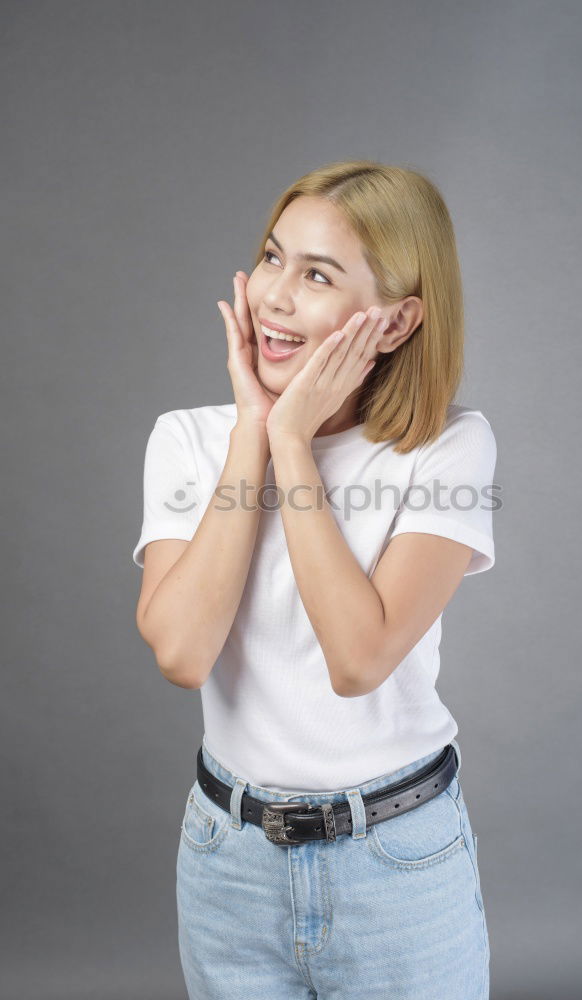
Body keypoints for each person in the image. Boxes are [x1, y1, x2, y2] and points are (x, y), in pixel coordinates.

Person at [132, 160, 497, 1000]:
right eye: (271, 257)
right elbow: (183, 652)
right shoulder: (188, 440)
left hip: (396, 865)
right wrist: (253, 436)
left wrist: (294, 445)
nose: (274, 296)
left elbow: (358, 658)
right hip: (228, 863)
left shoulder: (447, 450)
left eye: (317, 274)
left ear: (398, 320)